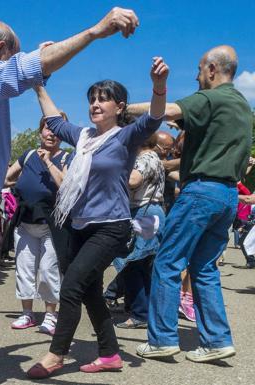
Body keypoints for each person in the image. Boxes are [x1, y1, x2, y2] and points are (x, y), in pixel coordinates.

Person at [0, 8, 142, 385]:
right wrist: (95, 31)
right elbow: (25, 72)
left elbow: (30, 73)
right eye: (13, 57)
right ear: (1, 48)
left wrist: (43, 70)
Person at [27, 56, 168, 378]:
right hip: (78, 225)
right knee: (89, 292)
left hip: (111, 227)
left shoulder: (126, 136)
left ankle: (56, 355)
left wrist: (159, 86)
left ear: (120, 107)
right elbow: (53, 121)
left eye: (103, 99)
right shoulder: (84, 137)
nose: (95, 104)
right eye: (91, 99)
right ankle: (109, 354)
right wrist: (37, 84)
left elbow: (155, 117)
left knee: (72, 287)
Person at [132, 45, 253, 363]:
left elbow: (167, 111)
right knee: (204, 268)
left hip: (201, 192)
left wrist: (123, 108)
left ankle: (162, 339)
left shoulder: (212, 97)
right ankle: (216, 340)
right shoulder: (241, 105)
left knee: (168, 262)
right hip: (226, 195)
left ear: (212, 69)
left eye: (200, 69)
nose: (197, 76)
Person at [4, 114, 68, 334]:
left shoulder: (67, 157)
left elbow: (65, 185)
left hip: (52, 224)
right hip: (26, 221)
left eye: (57, 130)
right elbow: (6, 178)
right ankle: (27, 314)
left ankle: (51, 315)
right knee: (24, 268)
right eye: (47, 129)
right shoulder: (28, 154)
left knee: (49, 269)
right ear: (40, 131)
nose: (51, 134)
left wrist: (48, 162)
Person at [115, 132, 166, 329]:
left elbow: (133, 181)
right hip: (151, 212)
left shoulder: (144, 158)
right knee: (145, 264)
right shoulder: (156, 159)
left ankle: (139, 313)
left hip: (143, 213)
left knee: (131, 263)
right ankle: (145, 310)